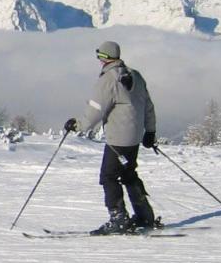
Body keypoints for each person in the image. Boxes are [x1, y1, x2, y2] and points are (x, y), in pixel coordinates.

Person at [64, 40, 158, 233]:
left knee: (108, 177)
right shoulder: (136, 76)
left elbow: (96, 110)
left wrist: (78, 125)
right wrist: (150, 132)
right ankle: (145, 215)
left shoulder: (108, 79)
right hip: (135, 137)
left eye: (99, 56)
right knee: (129, 174)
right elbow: (148, 106)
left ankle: (118, 219)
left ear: (104, 58)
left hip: (118, 138)